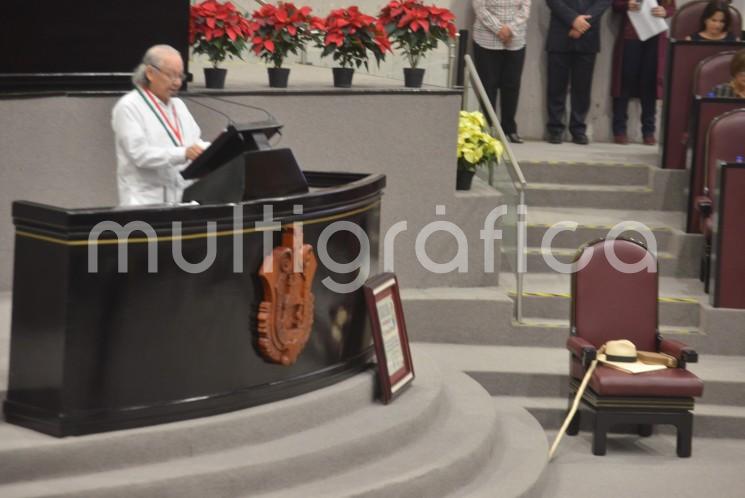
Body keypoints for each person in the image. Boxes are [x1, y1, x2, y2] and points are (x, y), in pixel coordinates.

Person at [112, 45, 208, 206]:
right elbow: (140, 155)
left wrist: (217, 148)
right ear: (150, 73)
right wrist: (183, 153)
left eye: (180, 76)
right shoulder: (129, 106)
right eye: (171, 75)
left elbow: (194, 143)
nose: (177, 82)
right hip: (145, 203)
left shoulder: (178, 105)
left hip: (181, 199)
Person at [545, 0, 612, 145]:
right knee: (556, 86)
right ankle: (555, 129)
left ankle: (578, 129)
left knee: (582, 88)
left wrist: (582, 24)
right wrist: (573, 19)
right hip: (560, 33)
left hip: (588, 34)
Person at [611, 0, 676, 146]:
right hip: (631, 35)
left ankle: (648, 131)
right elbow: (615, 4)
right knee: (625, 80)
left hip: (654, 34)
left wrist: (665, 12)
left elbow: (671, 7)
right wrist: (627, 4)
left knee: (649, 83)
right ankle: (619, 129)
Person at [472, 0, 532, 144]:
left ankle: (509, 129)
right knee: (488, 86)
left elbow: (525, 8)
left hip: (515, 39)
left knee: (512, 86)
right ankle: (488, 128)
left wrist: (510, 29)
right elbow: (479, 8)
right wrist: (499, 28)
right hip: (486, 38)